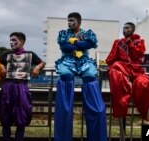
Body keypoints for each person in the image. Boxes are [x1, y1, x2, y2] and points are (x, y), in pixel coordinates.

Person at [54, 12, 107, 141]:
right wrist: (80, 43)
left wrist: (74, 42)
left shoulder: (88, 32)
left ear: (79, 22)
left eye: (72, 20)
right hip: (67, 60)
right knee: (66, 76)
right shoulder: (63, 33)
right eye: (68, 21)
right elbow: (65, 47)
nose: (69, 23)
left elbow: (89, 45)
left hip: (84, 60)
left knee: (90, 77)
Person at [0, 32, 45, 141]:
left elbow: (42, 62)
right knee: (5, 114)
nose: (11, 43)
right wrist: (1, 66)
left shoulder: (30, 54)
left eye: (14, 40)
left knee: (21, 115)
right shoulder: (6, 54)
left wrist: (37, 67)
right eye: (10, 40)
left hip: (22, 87)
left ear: (21, 42)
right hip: (7, 87)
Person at [105, 22, 149, 121]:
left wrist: (130, 44)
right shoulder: (118, 42)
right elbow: (111, 58)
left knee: (144, 83)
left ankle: (146, 108)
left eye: (127, 28)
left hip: (136, 69)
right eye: (123, 28)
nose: (124, 30)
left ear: (132, 29)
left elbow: (138, 55)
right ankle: (121, 109)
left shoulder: (139, 41)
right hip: (122, 67)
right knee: (115, 69)